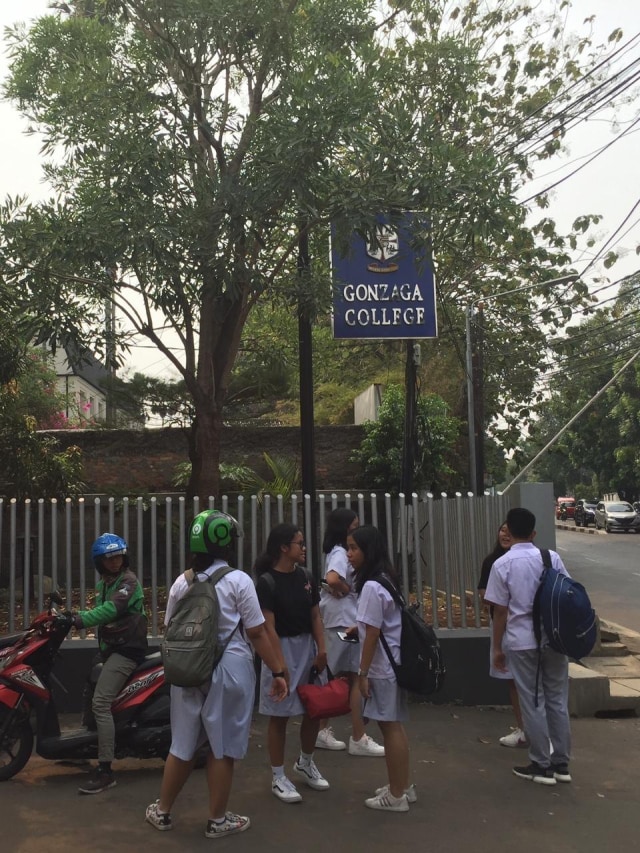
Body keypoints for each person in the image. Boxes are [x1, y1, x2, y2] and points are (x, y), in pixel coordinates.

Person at [145, 510, 288, 838]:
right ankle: (217, 820)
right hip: (230, 670)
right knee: (220, 747)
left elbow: (170, 628)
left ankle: (163, 811)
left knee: (182, 744)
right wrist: (277, 670)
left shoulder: (182, 582)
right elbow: (257, 632)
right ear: (226, 544)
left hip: (188, 670)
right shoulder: (239, 581)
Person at [484, 507, 572, 786]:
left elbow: (499, 611)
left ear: (508, 529)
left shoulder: (502, 564)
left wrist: (497, 647)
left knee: (533, 702)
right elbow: (568, 593)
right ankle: (562, 764)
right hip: (555, 640)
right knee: (557, 700)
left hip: (521, 642)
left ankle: (540, 764)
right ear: (534, 533)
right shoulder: (551, 558)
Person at [254, 522, 329, 804]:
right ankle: (277, 775)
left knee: (314, 709)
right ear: (284, 548)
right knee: (280, 714)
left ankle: (306, 762)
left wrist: (322, 649)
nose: (304, 548)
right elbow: (268, 627)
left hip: (307, 647)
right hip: (281, 649)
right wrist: (279, 665)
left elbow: (315, 617)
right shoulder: (267, 582)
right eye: (299, 543)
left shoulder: (306, 577)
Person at [71, 533, 148, 794]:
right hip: (111, 649)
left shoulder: (128, 582)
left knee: (101, 703)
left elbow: (111, 611)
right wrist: (72, 615)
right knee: (88, 687)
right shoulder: (105, 583)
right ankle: (84, 746)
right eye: (109, 558)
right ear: (100, 562)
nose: (115, 561)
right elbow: (102, 611)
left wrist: (79, 620)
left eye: (118, 556)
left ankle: (105, 770)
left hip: (127, 650)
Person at [346, 525, 414, 813]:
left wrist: (362, 674)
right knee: (393, 726)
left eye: (354, 549)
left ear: (367, 551)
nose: (349, 555)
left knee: (390, 727)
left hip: (383, 668)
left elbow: (373, 633)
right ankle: (402, 786)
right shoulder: (386, 578)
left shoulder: (373, 586)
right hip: (392, 664)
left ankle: (397, 795)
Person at [316, 508, 385, 757]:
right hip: (345, 622)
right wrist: (347, 589)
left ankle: (324, 729)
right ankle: (357, 736)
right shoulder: (340, 553)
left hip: (338, 620)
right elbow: (332, 579)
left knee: (337, 676)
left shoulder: (335, 551)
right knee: (354, 677)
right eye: (354, 525)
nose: (357, 528)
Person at [477, 522, 527, 748]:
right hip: (503, 627)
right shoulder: (492, 562)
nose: (505, 534)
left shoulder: (529, 560)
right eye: (502, 530)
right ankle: (523, 728)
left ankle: (532, 730)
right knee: (513, 682)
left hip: (522, 627)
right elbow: (485, 596)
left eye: (510, 530)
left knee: (527, 682)